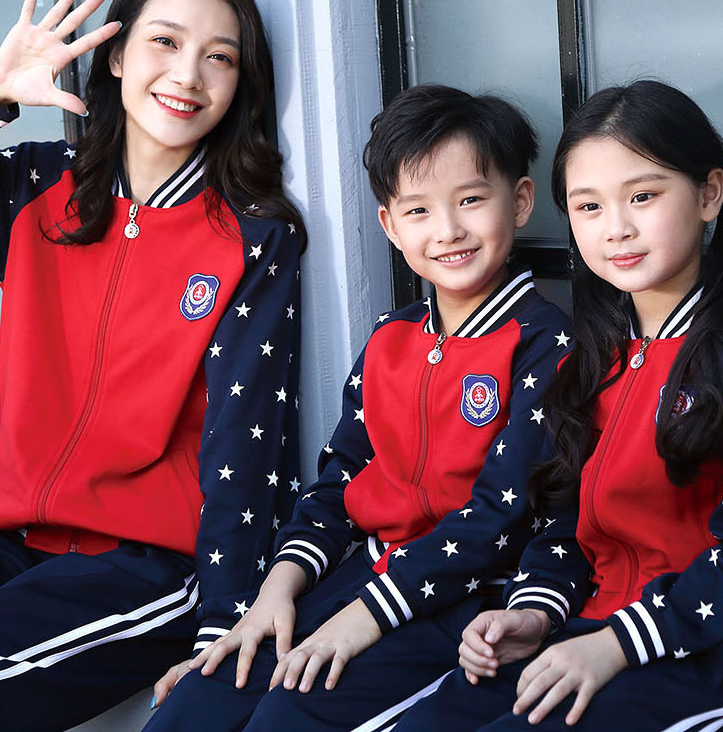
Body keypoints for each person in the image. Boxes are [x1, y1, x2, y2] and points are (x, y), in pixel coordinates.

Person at [0, 0, 305, 731]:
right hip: (13, 544)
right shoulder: (37, 191)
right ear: (115, 57)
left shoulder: (250, 238)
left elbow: (244, 441)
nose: (188, 75)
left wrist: (222, 624)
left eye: (220, 57)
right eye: (164, 42)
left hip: (147, 569)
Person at [393, 80, 723, 731]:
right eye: (588, 206)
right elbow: (566, 523)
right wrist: (533, 613)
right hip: (590, 625)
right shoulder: (592, 361)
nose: (616, 227)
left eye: (643, 196)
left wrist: (615, 645)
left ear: (708, 194)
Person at [144, 83, 572, 732]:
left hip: (468, 600)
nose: (449, 230)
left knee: (290, 713)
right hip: (364, 577)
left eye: (471, 200)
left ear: (519, 201)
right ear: (390, 226)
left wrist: (363, 617)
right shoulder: (389, 339)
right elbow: (339, 483)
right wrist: (274, 594)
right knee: (198, 700)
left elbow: (499, 516)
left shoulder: (546, 344)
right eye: (419, 210)